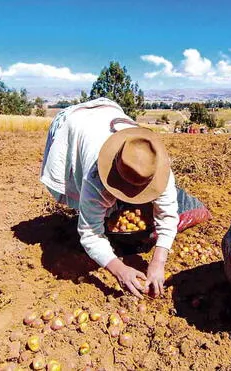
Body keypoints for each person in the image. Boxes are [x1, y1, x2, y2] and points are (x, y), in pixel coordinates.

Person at [40, 98, 179, 299]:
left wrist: (158, 261)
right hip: (76, 122)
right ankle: (94, 212)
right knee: (89, 210)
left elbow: (167, 216)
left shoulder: (155, 167)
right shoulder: (94, 176)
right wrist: (119, 270)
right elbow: (90, 232)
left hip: (108, 111)